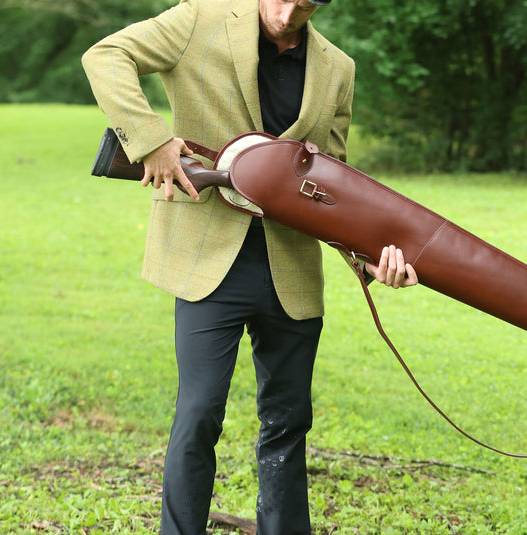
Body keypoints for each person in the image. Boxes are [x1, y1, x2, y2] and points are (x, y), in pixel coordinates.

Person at [82, 1, 417, 533]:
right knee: (198, 417)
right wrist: (151, 142)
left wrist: (374, 257)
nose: (288, 13)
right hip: (206, 260)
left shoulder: (338, 67)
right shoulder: (198, 19)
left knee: (289, 423)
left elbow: (331, 186)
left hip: (293, 269)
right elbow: (107, 54)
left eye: (305, 4)